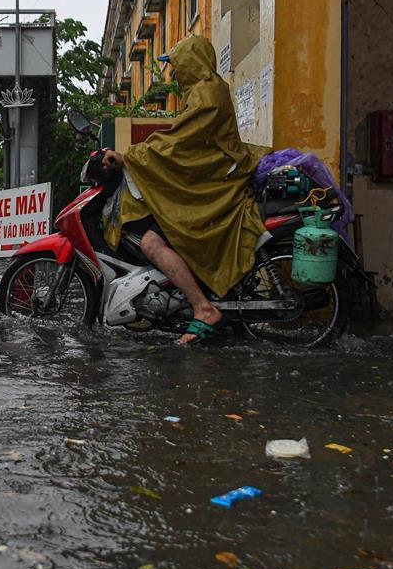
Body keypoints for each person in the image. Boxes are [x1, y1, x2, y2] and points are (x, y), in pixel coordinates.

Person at [102, 34, 270, 346]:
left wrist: (132, 156)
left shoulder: (207, 94)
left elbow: (177, 143)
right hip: (212, 178)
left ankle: (202, 308)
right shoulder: (204, 92)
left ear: (191, 63)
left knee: (151, 242)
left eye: (177, 66)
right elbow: (180, 141)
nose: (174, 73)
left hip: (216, 186)